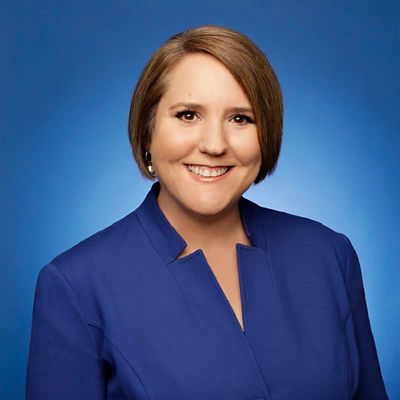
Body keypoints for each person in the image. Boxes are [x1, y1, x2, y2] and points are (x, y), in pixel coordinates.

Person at [26, 26, 388, 399]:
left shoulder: (328, 255)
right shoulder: (75, 284)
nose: (214, 144)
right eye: (187, 115)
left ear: (267, 134)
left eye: (240, 119)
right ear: (147, 131)